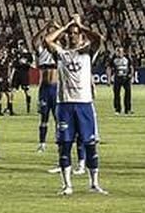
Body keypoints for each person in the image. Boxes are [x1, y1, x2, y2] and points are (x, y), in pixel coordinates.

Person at [44, 15, 107, 195]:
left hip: (84, 104)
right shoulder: (61, 53)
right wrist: (65, 27)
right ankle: (67, 185)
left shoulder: (87, 52)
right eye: (70, 34)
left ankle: (94, 183)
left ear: (81, 37)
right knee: (64, 144)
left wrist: (79, 25)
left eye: (76, 34)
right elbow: (47, 40)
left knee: (90, 144)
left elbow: (99, 39)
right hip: (64, 105)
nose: (72, 36)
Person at [34, 23, 58, 152]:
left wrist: (58, 27)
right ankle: (42, 143)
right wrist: (43, 28)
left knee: (58, 117)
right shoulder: (41, 51)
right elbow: (34, 40)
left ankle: (60, 140)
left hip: (56, 88)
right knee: (44, 117)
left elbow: (65, 38)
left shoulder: (58, 51)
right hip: (44, 88)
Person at [108, 44, 133, 115]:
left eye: (120, 51)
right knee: (116, 94)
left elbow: (131, 67)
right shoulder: (113, 59)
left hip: (126, 78)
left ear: (123, 51)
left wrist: (131, 75)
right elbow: (109, 68)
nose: (119, 52)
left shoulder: (127, 58)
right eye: (117, 51)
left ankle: (127, 109)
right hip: (117, 78)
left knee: (128, 94)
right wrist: (109, 79)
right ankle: (117, 109)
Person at [12, 39, 33, 114]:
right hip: (17, 73)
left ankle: (28, 108)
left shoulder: (28, 55)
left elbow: (31, 64)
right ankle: (11, 109)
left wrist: (25, 63)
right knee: (13, 91)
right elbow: (13, 64)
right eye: (19, 45)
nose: (19, 46)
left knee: (27, 91)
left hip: (24, 74)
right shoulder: (16, 53)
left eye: (21, 44)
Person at [0, 46, 14, 116]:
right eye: (2, 53)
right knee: (0, 96)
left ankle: (10, 110)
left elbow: (10, 70)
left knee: (9, 95)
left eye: (5, 53)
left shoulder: (8, 61)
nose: (4, 54)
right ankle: (0, 112)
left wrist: (10, 77)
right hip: (0, 80)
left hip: (6, 80)